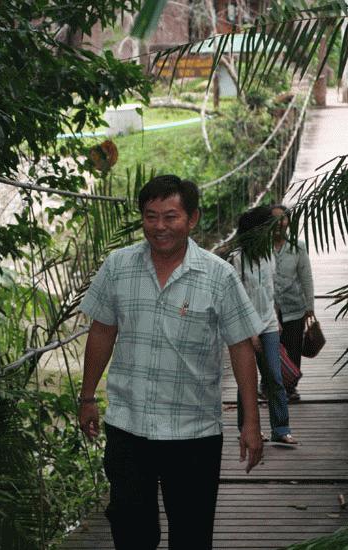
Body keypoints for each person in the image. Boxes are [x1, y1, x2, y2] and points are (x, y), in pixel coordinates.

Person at [78, 174, 264, 550]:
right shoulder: (118, 266)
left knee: (192, 536)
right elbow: (101, 332)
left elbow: (242, 347)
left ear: (192, 219)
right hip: (129, 425)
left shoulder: (219, 276)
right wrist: (86, 398)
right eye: (151, 216)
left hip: (193, 431)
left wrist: (251, 423)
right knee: (131, 531)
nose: (159, 227)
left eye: (170, 216)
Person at [231, 206, 297, 445]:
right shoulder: (237, 258)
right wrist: (249, 333)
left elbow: (271, 291)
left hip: (268, 323)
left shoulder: (270, 253)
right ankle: (246, 428)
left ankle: (281, 429)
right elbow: (237, 299)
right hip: (244, 329)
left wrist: (276, 318)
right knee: (245, 380)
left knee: (274, 377)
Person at [271, 204, 314, 401]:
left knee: (293, 347)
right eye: (275, 219)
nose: (279, 223)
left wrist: (310, 307)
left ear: (288, 221)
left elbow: (306, 277)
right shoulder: (262, 248)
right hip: (269, 308)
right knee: (270, 348)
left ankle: (290, 387)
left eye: (283, 218)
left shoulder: (298, 246)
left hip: (294, 306)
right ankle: (270, 384)